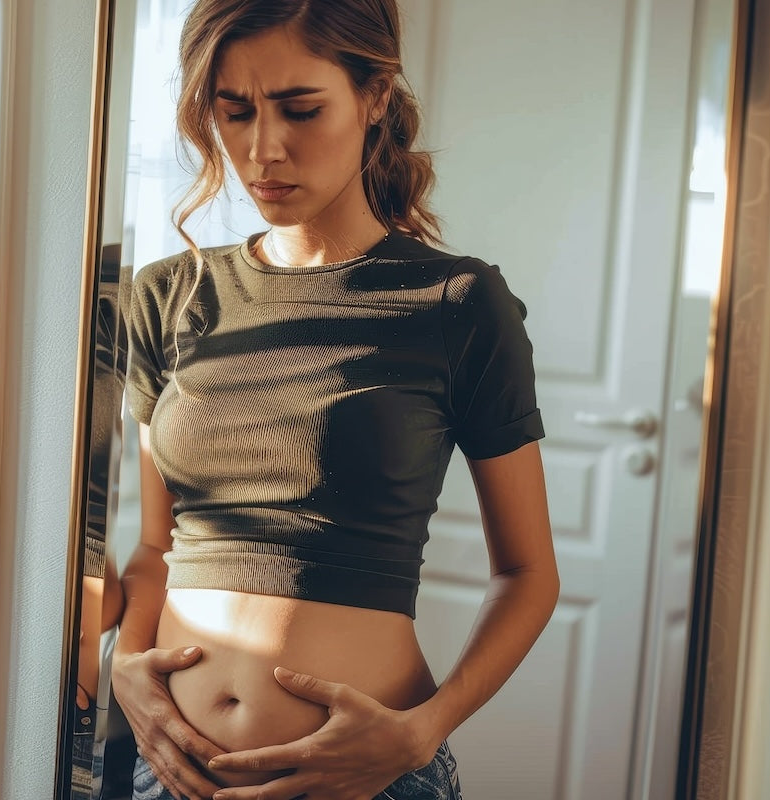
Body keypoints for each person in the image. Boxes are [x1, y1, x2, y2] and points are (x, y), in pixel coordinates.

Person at [114, 2, 560, 799]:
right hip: (173, 773)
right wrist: (124, 666)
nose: (262, 149)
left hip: (366, 780)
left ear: (375, 94)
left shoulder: (457, 302)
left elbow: (528, 573)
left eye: (300, 108)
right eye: (234, 110)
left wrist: (422, 730)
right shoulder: (167, 296)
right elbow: (155, 549)